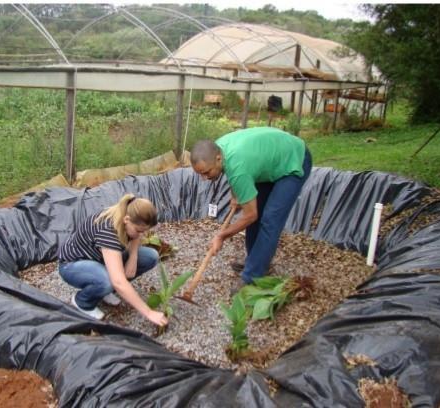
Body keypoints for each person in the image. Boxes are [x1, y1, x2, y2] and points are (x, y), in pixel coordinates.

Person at [191, 126, 312, 286]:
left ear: (218, 158)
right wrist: (236, 195)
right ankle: (256, 259)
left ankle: (252, 276)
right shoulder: (217, 149)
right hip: (270, 160)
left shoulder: (237, 166)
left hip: (294, 159)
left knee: (270, 219)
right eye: (200, 174)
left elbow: (250, 215)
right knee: (258, 213)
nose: (204, 179)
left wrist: (222, 236)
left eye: (206, 173)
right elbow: (231, 171)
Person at [58, 194, 168, 327]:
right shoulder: (108, 231)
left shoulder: (128, 212)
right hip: (72, 265)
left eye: (144, 231)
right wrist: (149, 313)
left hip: (98, 259)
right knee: (109, 281)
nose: (141, 235)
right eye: (139, 231)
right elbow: (118, 282)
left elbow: (135, 236)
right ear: (127, 220)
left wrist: (133, 257)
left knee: (150, 257)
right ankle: (82, 302)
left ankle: (103, 289)